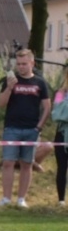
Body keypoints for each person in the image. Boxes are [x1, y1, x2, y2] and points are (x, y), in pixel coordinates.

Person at [0, 48, 51, 208]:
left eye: (24, 64)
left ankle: (21, 199)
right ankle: (6, 198)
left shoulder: (40, 83)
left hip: (31, 129)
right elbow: (0, 104)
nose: (21, 67)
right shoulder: (11, 81)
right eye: (18, 64)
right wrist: (9, 88)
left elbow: (47, 107)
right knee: (8, 162)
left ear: (32, 63)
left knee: (27, 164)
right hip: (11, 128)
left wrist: (39, 128)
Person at [52, 68, 68, 206]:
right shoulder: (60, 93)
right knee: (62, 168)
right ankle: (61, 200)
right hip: (62, 135)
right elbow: (56, 115)